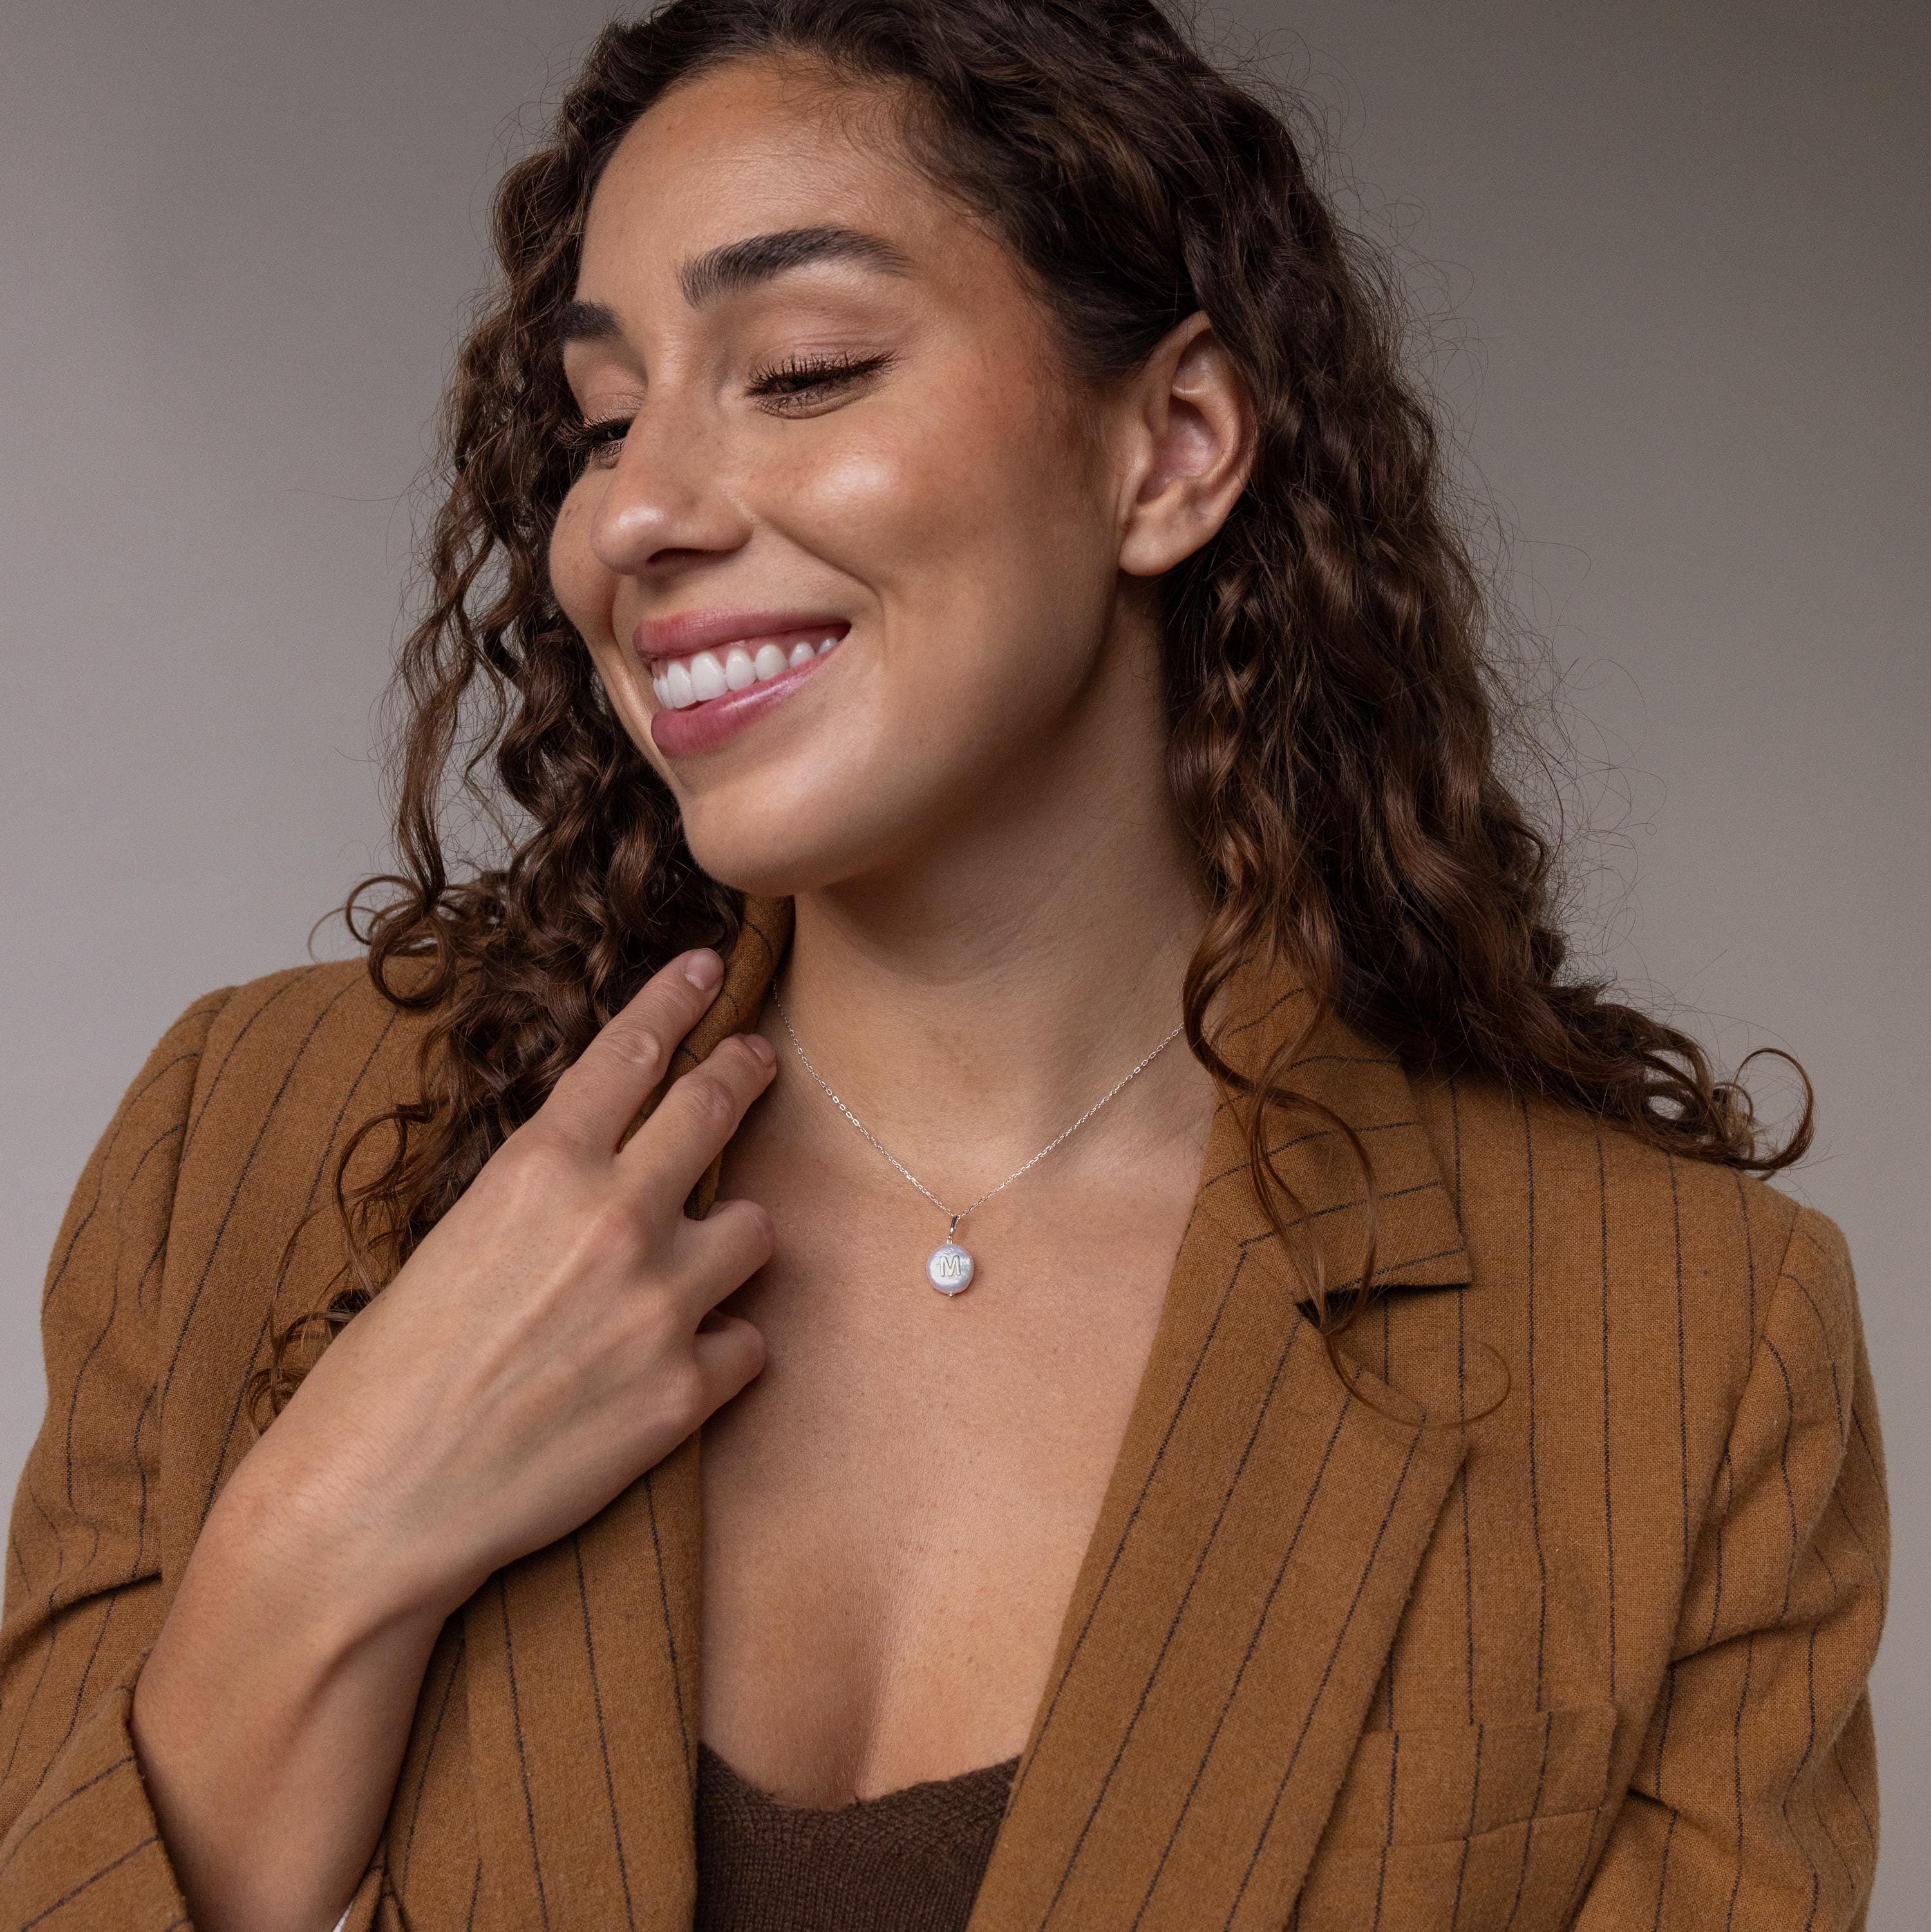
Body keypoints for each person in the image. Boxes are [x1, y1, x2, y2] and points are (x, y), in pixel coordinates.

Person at [0, 3, 1888, 1929]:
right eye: (601, 419)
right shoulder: (252, 1148)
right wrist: (322, 1552)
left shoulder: (1686, 1354)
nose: (634, 512)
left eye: (804, 371)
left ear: (1171, 449)